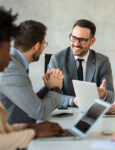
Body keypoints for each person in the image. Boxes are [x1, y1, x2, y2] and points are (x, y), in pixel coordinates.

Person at [0, 7, 65, 150]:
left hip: (17, 134)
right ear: (37, 46)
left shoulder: (17, 65)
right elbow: (39, 112)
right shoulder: (12, 69)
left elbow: (27, 103)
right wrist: (56, 89)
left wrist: (47, 88)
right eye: (44, 44)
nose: (8, 54)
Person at [48, 19, 115, 108]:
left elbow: (111, 96)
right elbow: (51, 96)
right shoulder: (57, 59)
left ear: (92, 41)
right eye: (73, 38)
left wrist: (104, 94)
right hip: (67, 112)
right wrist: (73, 101)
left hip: (92, 113)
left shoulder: (102, 61)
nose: (76, 43)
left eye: (82, 40)